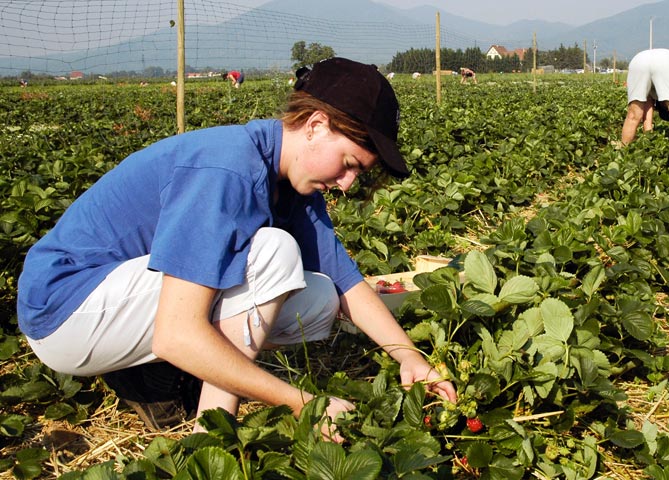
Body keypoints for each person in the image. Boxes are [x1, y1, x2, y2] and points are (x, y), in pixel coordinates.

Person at [16, 57, 457, 437]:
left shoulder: (294, 185)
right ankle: (212, 430)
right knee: (272, 254)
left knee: (320, 298)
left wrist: (408, 357)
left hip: (122, 303)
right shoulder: (228, 169)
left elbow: (346, 283)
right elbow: (176, 332)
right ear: (316, 126)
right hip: (66, 312)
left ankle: (170, 382)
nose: (346, 183)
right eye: (347, 165)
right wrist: (300, 401)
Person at [621, 48, 669, 145]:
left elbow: (647, 114)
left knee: (633, 116)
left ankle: (623, 151)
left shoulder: (651, 94)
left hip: (638, 61)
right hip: (666, 62)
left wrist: (648, 136)